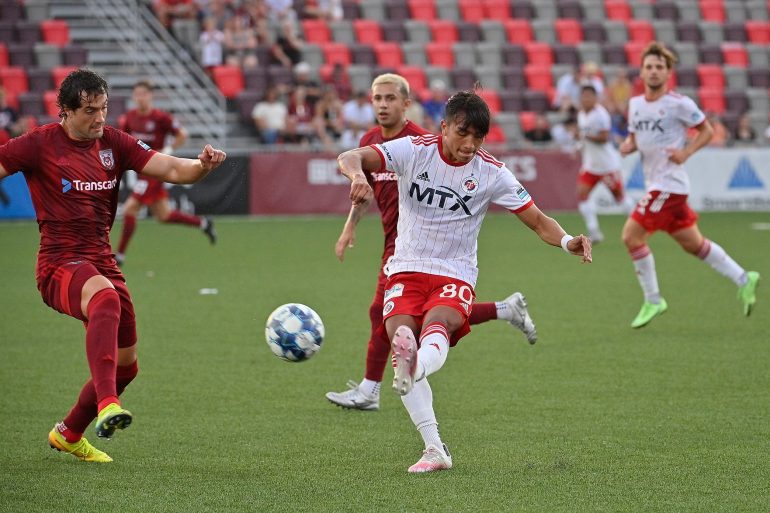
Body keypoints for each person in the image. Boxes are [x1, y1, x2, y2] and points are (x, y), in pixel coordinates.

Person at [338, 90, 592, 472]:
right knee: (400, 334)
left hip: (454, 271)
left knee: (434, 327)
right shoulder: (414, 150)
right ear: (444, 127)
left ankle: (415, 366)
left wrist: (569, 241)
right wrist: (357, 175)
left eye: (479, 137)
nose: (470, 144)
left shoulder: (491, 172)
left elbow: (539, 221)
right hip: (406, 266)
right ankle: (434, 448)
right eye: (463, 133)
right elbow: (350, 156)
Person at [0, 69, 226, 462]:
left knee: (127, 367)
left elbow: (173, 169)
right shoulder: (38, 144)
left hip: (102, 261)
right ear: (65, 112)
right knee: (105, 300)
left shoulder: (114, 143)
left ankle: (69, 434)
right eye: (90, 110)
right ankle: (108, 404)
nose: (100, 118)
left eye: (104, 108)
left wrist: (203, 166)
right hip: (58, 264)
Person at [326, 74, 539, 413]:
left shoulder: (422, 143)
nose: (383, 105)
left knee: (395, 316)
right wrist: (350, 226)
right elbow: (360, 183)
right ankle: (504, 309)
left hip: (415, 246)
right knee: (417, 316)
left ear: (406, 104)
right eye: (377, 98)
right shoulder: (371, 141)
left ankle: (371, 389)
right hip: (397, 243)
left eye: (390, 98)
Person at [619, 42, 760, 329]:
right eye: (649, 67)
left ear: (668, 73)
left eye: (660, 67)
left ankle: (653, 299)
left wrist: (686, 153)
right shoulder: (634, 106)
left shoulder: (679, 104)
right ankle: (744, 278)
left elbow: (706, 130)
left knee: (631, 237)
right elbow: (636, 139)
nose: (654, 71)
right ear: (642, 72)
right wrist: (628, 146)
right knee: (694, 244)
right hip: (659, 185)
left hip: (669, 185)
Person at [114, 81, 216, 266]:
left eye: (143, 94)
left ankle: (119, 255)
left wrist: (167, 149)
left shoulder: (161, 117)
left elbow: (182, 134)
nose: (140, 98)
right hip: (141, 169)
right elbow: (122, 141)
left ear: (150, 95)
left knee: (129, 208)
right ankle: (203, 223)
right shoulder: (129, 118)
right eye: (137, 94)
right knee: (164, 215)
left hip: (156, 169)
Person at [576, 84, 635, 243]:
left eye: (589, 96)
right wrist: (580, 144)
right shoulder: (581, 114)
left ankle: (638, 226)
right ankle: (594, 231)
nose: (586, 99)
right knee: (582, 195)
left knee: (620, 198)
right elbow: (583, 136)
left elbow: (603, 138)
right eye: (583, 96)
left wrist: (585, 136)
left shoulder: (601, 114)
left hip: (607, 166)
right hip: (590, 165)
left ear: (595, 98)